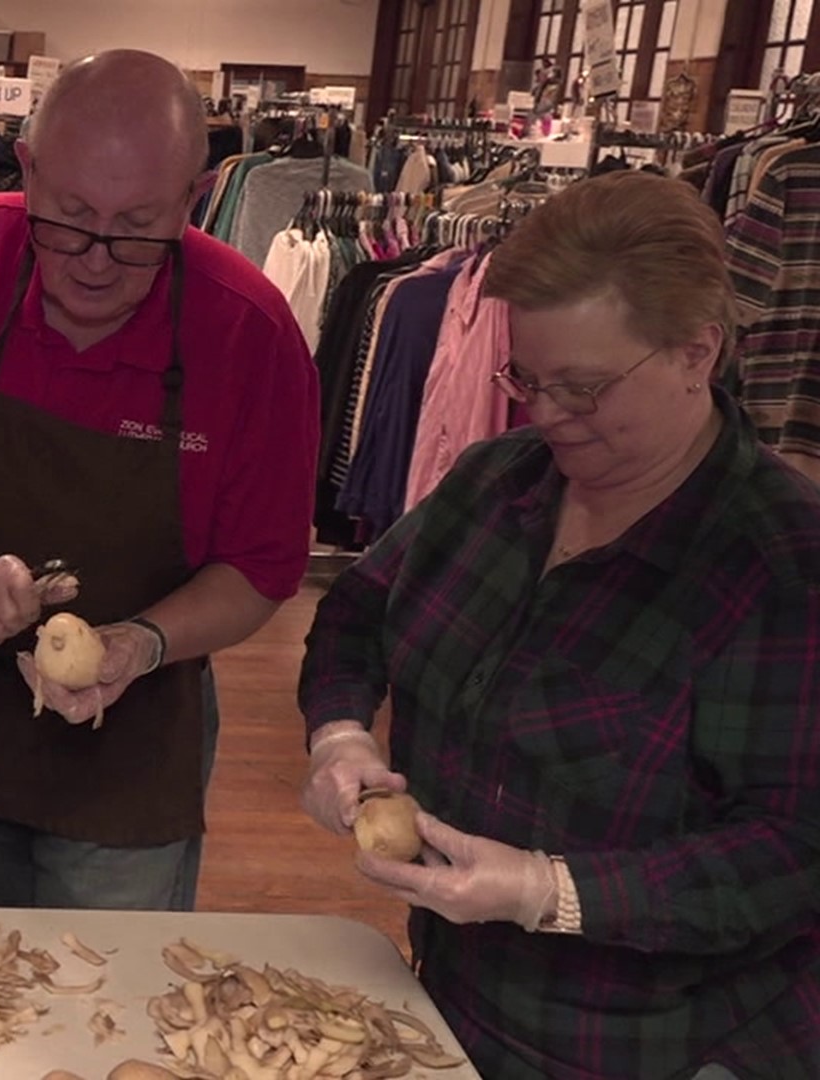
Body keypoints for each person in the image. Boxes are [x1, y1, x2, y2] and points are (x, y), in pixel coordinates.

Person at [298, 171, 820, 1079]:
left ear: (697, 353)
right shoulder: (495, 483)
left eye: (583, 387)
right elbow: (355, 611)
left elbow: (791, 851)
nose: (545, 414)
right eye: (526, 378)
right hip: (454, 1003)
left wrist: (554, 892)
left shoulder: (782, 569)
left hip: (657, 1043)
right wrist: (339, 735)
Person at [0, 50, 320, 911]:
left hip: (131, 755)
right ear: (25, 169)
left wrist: (139, 642)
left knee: (105, 997)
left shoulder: (249, 332)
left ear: (194, 197)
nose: (96, 260)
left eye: (137, 227)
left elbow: (260, 571)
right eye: (66, 218)